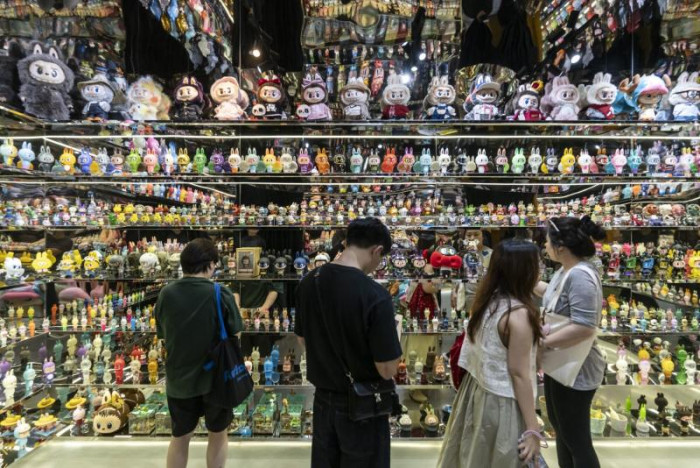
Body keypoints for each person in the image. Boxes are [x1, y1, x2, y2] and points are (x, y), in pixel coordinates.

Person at [295, 217, 402, 468]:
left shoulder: (309, 282)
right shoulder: (375, 295)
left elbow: (302, 339)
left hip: (322, 404)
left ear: (347, 242)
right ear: (377, 251)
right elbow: (387, 369)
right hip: (363, 408)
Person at [438, 238, 543, 468]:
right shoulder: (519, 315)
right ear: (526, 271)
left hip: (476, 393)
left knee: (472, 456)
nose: (540, 271)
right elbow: (519, 374)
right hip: (502, 402)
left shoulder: (487, 301)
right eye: (537, 265)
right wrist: (533, 428)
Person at [155, 238, 243, 468]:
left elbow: (163, 333)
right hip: (216, 379)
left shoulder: (166, 293)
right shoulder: (220, 293)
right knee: (218, 432)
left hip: (179, 379)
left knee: (180, 436)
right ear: (211, 264)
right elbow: (236, 332)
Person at [534, 216, 606, 468]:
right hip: (561, 363)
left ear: (561, 246)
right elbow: (553, 294)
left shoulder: (580, 276)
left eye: (547, 240)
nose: (545, 245)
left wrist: (543, 343)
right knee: (563, 432)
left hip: (577, 368)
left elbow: (585, 327)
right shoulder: (566, 271)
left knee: (576, 440)